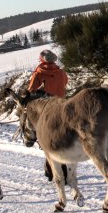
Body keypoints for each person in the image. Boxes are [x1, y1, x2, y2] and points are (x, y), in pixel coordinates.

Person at [27, 49, 69, 182]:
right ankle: (55, 169)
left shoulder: (39, 72)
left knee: (46, 139)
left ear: (42, 60)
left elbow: (31, 90)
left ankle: (30, 137)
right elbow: (65, 83)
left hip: (46, 109)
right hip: (62, 107)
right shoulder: (61, 72)